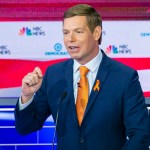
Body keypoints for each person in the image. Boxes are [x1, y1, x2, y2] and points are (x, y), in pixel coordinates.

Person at [15, 4, 150, 150]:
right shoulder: (54, 75)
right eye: (66, 32)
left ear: (96, 33)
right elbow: (26, 127)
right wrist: (27, 96)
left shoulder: (124, 77)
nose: (70, 39)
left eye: (78, 32)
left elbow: (140, 134)